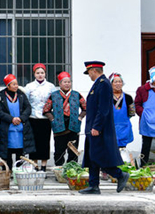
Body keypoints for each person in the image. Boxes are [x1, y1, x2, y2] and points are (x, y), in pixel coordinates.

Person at [79, 61, 129, 195]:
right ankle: (93, 185)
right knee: (92, 157)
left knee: (98, 156)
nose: (89, 75)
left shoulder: (104, 84)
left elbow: (104, 109)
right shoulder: (98, 84)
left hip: (99, 129)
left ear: (94, 70)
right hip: (92, 127)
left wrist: (96, 126)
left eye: (89, 72)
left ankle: (119, 175)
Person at [43, 71, 87, 166]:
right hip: (59, 127)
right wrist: (52, 119)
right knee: (59, 150)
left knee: (73, 150)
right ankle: (59, 170)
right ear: (59, 84)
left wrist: (80, 117)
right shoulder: (54, 95)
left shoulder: (76, 94)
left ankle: (72, 169)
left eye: (69, 82)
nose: (67, 84)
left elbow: (85, 108)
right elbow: (46, 110)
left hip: (74, 126)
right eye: (64, 82)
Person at [0, 74, 34, 167]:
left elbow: (28, 108)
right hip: (7, 129)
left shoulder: (21, 95)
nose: (16, 86)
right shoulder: (0, 96)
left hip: (21, 128)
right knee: (6, 152)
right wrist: (11, 119)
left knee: (20, 153)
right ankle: (8, 171)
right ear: (7, 85)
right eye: (13, 84)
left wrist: (21, 118)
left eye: (16, 84)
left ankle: (18, 172)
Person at [23, 63, 55, 171]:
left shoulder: (51, 86)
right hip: (33, 118)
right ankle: (35, 165)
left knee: (45, 142)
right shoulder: (29, 86)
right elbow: (25, 102)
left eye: (42, 73)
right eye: (38, 73)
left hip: (46, 118)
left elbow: (55, 102)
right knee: (34, 142)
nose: (40, 75)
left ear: (45, 73)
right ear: (34, 74)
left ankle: (44, 165)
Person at [110, 73, 135, 150]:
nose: (118, 84)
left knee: (122, 150)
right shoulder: (107, 97)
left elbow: (132, 112)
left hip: (124, 127)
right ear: (111, 83)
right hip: (110, 127)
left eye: (120, 82)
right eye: (115, 82)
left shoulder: (128, 97)